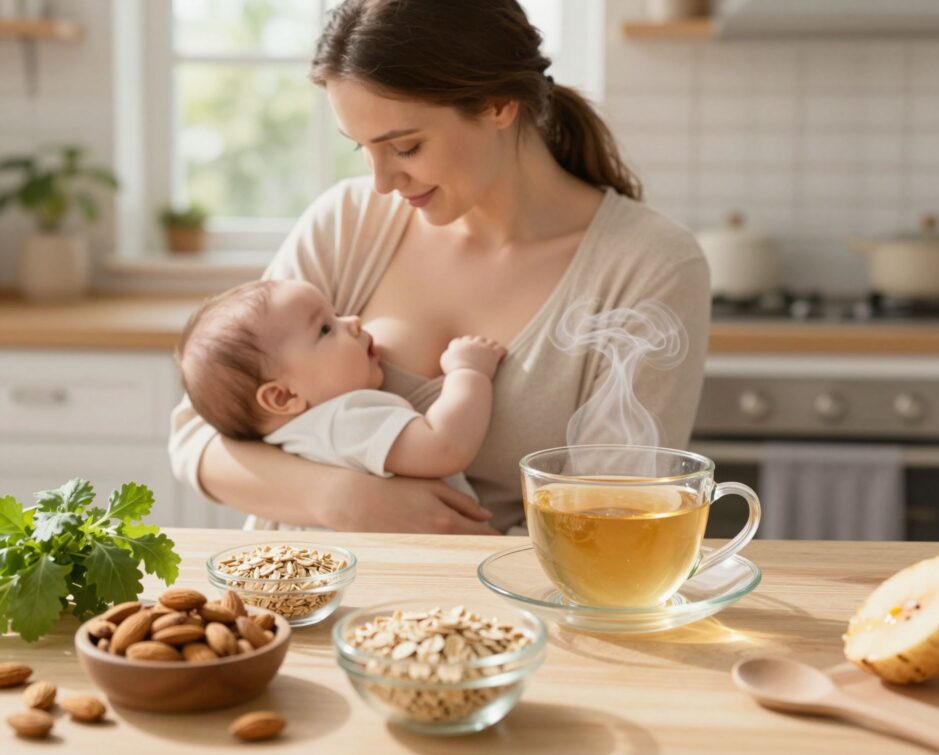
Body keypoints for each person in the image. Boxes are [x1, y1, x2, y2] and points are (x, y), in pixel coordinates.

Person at [168, 0, 710, 534]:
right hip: (300, 586)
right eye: (361, 148)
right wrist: (344, 500)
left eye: (405, 147)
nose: (381, 182)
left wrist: (456, 560)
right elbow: (197, 439)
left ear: (498, 104)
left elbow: (613, 520)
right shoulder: (348, 220)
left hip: (492, 593)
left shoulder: (649, 264)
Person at [175, 278, 506, 530]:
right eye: (325, 329)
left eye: (335, 314)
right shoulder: (342, 420)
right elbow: (444, 446)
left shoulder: (292, 436)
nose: (354, 321)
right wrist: (468, 371)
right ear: (283, 397)